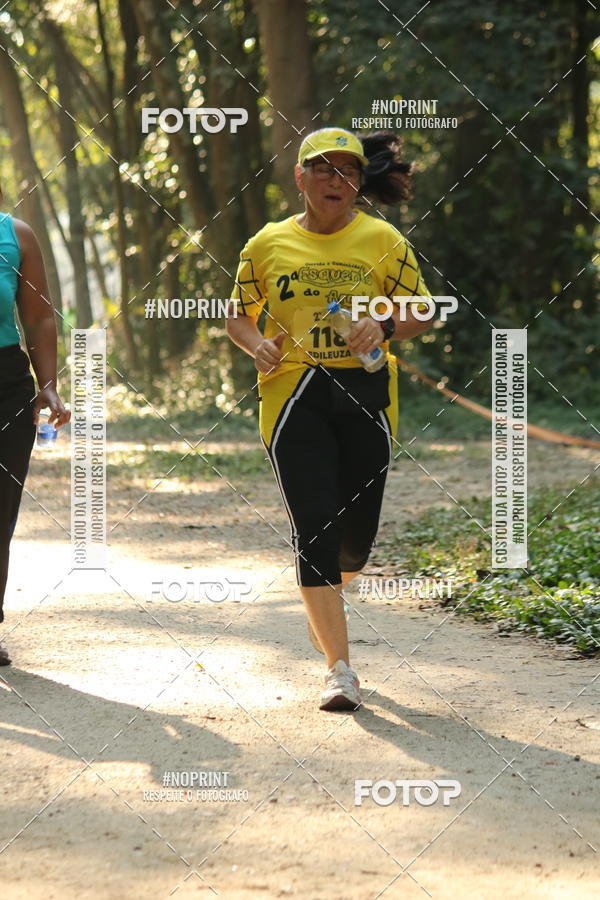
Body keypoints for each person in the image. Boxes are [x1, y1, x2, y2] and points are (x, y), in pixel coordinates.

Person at [226, 127, 432, 711]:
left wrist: (384, 326)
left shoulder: (383, 240)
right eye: (323, 168)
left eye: (348, 171)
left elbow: (423, 311)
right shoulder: (267, 243)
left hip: (365, 394)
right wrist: (256, 345)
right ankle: (340, 670)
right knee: (314, 524)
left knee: (354, 544)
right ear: (300, 177)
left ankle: (325, 600)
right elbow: (238, 316)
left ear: (359, 182)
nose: (335, 180)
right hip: (293, 396)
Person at [0, 202, 70, 664]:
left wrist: (48, 384)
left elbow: (40, 317)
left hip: (5, 384)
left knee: (0, 508)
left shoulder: (16, 236)